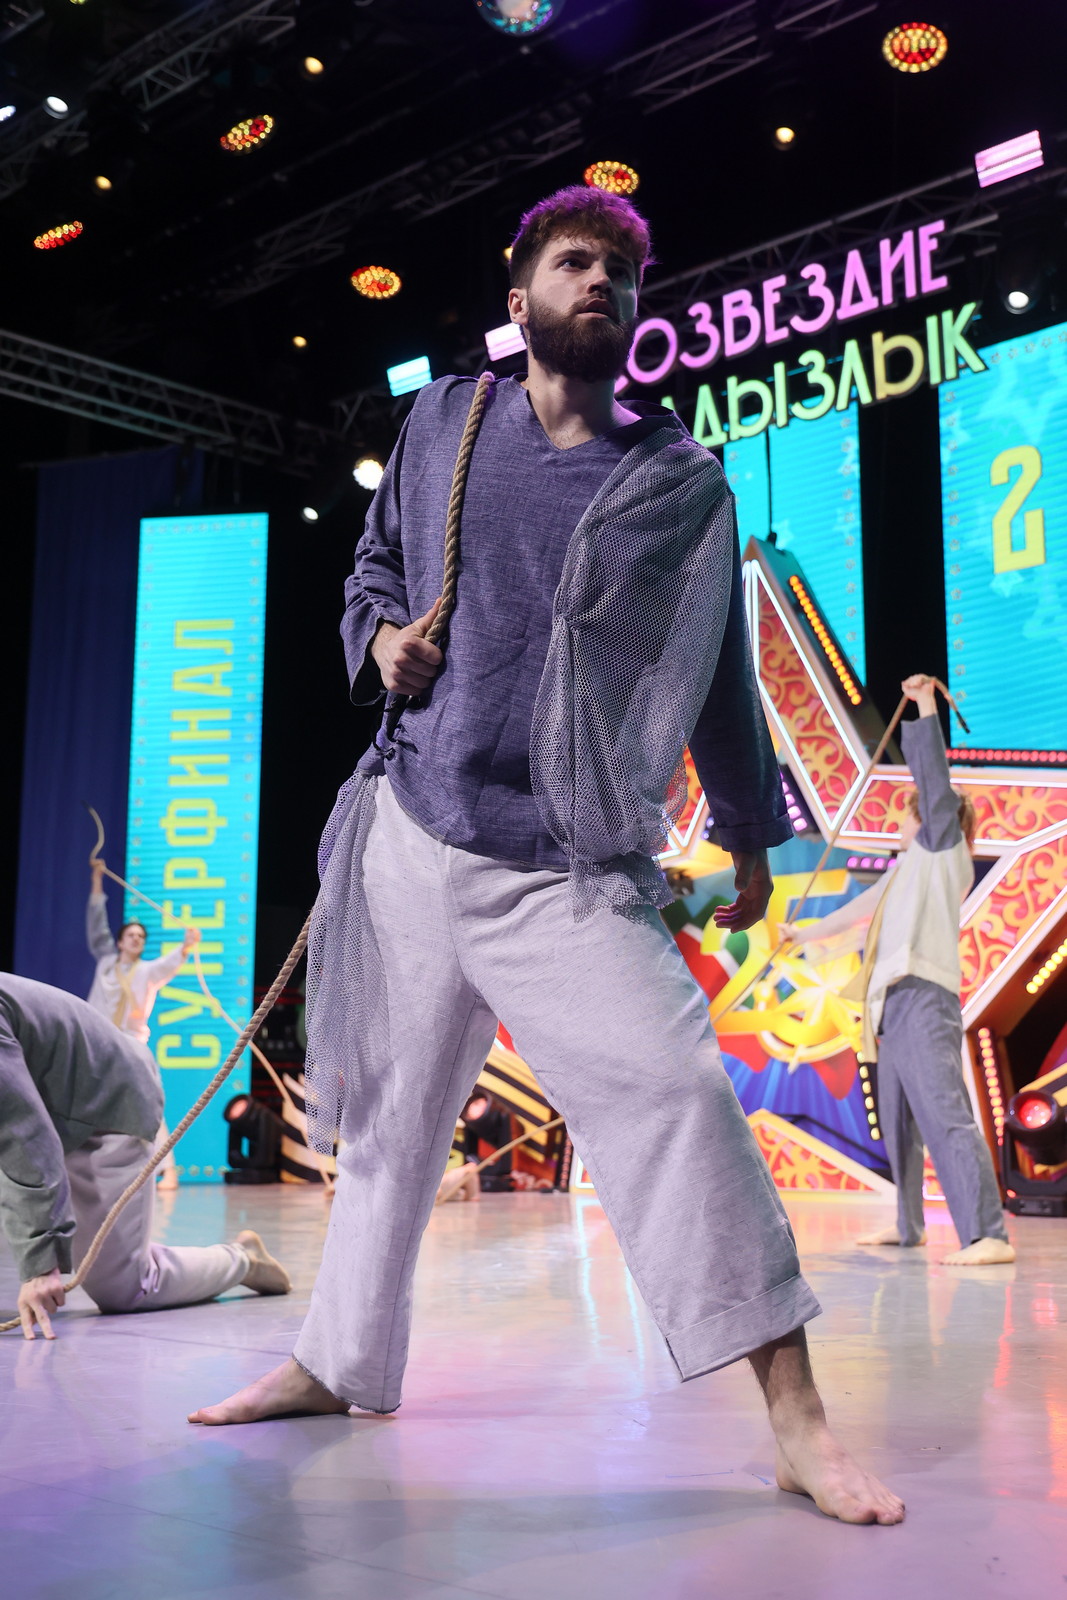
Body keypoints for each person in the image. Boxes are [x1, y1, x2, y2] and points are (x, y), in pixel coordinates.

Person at [189, 185, 903, 1527]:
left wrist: (747, 833)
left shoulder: (676, 483)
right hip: (411, 833)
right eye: (575, 263)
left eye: (620, 274)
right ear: (518, 300)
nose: (600, 284)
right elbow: (371, 570)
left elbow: (715, 672)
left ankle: (796, 1421)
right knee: (387, 1125)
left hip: (562, 867)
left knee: (678, 1098)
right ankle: (335, 1364)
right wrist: (380, 641)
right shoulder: (442, 423)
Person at [782, 674, 1013, 1268]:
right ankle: (908, 1225)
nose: (901, 824)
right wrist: (801, 935)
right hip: (890, 1005)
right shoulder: (906, 872)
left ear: (931, 821)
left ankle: (987, 1234)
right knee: (899, 1121)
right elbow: (858, 914)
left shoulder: (943, 854)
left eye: (909, 815)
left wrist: (926, 705)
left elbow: (935, 785)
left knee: (944, 1114)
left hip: (924, 997)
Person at [0, 972, 291, 1340]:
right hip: (61, 1104)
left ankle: (242, 1259)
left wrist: (41, 1264)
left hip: (106, 1101)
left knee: (126, 1288)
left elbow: (25, 1138)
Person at [87, 857, 201, 1189]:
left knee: (149, 1103)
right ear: (120, 941)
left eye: (141, 936)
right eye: (131, 935)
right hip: (98, 1044)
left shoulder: (148, 972)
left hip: (131, 1046)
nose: (136, 939)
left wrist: (187, 945)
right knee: (87, 1101)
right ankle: (89, 1168)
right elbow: (96, 924)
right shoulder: (106, 964)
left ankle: (168, 1170)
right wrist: (97, 878)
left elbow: (172, 962)